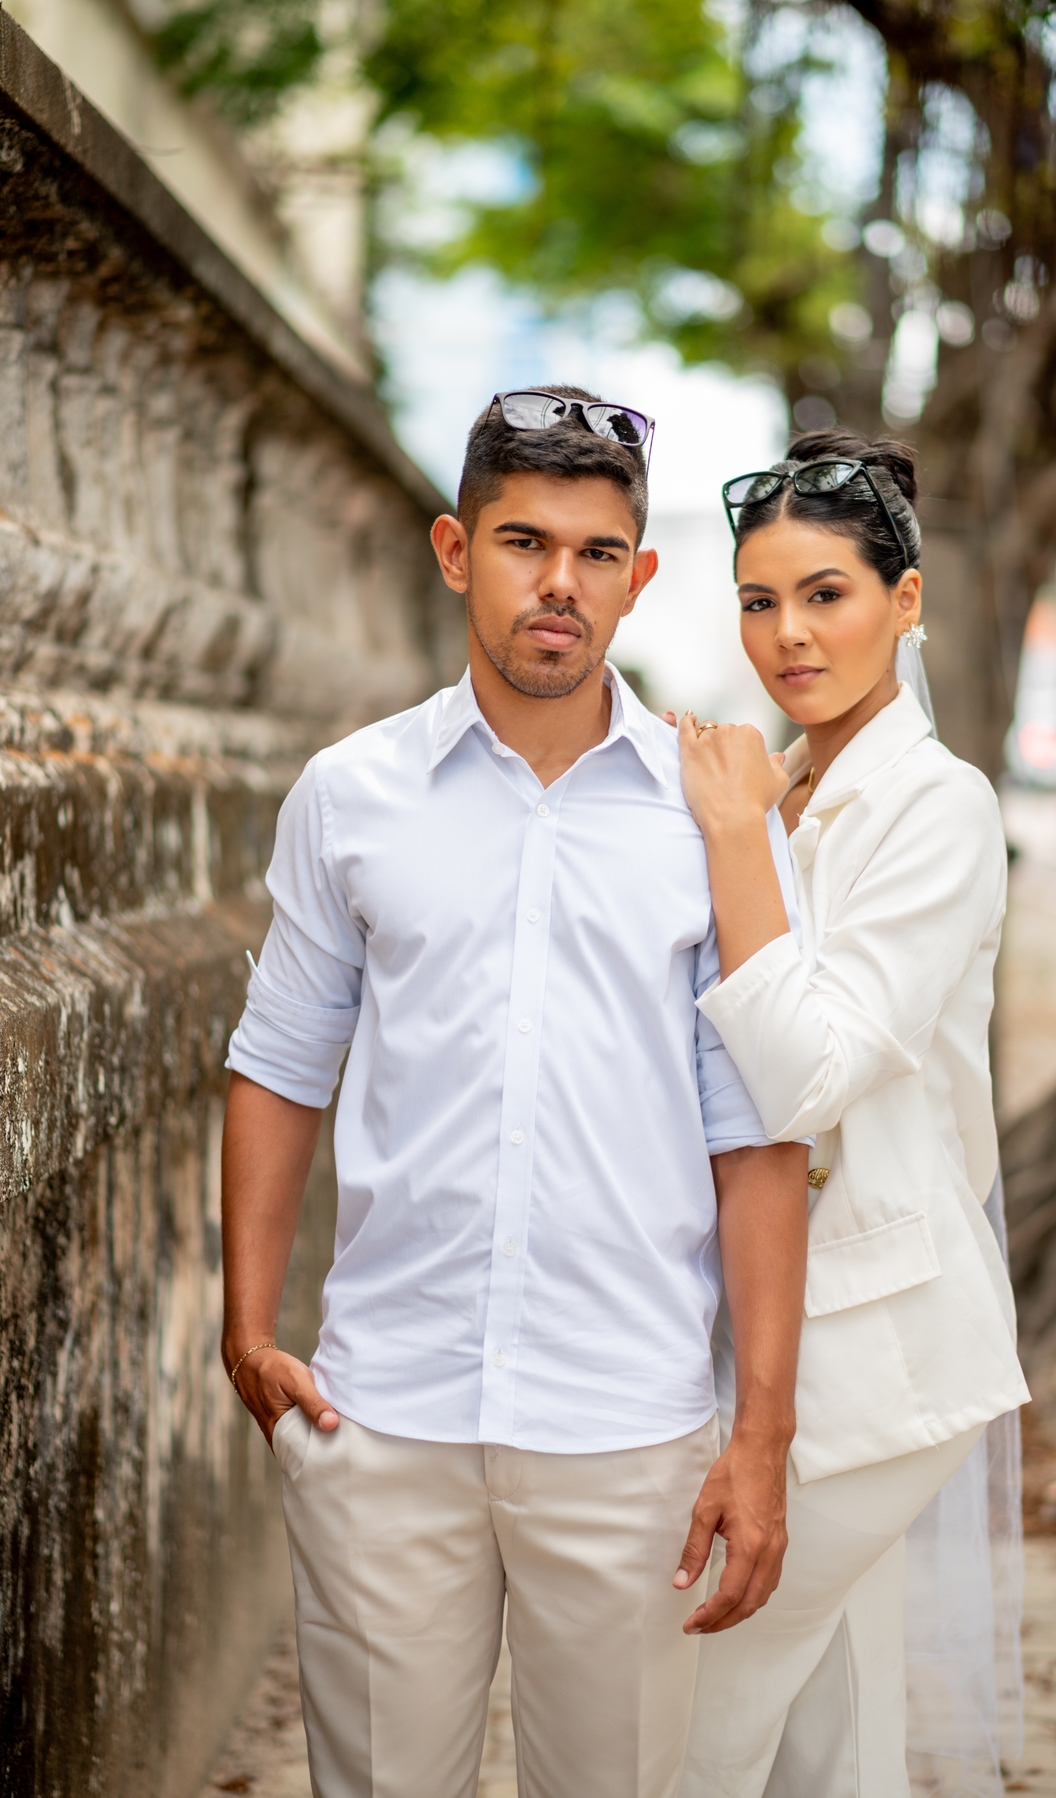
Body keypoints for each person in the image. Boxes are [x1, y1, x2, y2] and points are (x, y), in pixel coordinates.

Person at [219, 385, 810, 1798]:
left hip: (628, 1432)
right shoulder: (351, 794)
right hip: (383, 1417)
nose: (561, 583)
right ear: (454, 550)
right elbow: (282, 1060)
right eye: (524, 542)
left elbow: (758, 1132)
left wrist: (762, 1434)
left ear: (639, 576)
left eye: (597, 553)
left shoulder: (714, 818)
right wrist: (246, 1326)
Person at [672, 429, 1031, 1797]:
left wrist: (729, 837)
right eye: (759, 600)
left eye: (826, 594)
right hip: (777, 1322)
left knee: (687, 1724)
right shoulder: (790, 787)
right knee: (825, 1743)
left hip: (879, 1344)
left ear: (906, 598)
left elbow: (805, 1077)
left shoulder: (936, 808)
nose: (789, 633)